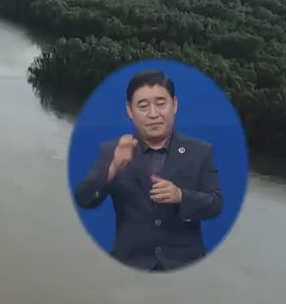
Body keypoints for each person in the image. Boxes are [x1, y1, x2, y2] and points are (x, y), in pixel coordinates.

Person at [74, 70, 223, 271]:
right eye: (143, 106)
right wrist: (113, 169)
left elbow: (215, 205)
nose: (153, 114)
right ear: (129, 110)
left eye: (161, 103)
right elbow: (84, 199)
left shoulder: (201, 151)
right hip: (128, 265)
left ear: (175, 105)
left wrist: (181, 196)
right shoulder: (112, 151)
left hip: (186, 266)